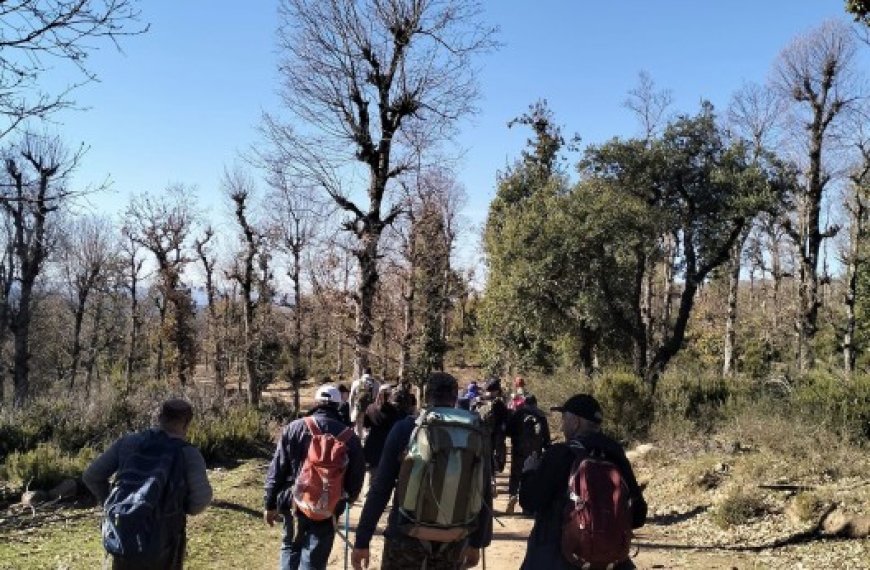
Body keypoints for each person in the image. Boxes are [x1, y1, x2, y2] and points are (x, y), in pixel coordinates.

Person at [351, 372, 493, 570]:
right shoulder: (477, 431)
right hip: (455, 539)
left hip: (405, 535)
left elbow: (380, 488)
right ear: (454, 398)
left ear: (426, 397)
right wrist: (477, 543)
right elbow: (484, 489)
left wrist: (362, 539)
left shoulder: (406, 428)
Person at [518, 394, 647, 569]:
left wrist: (529, 472)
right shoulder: (616, 455)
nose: (563, 426)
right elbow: (638, 516)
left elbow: (530, 502)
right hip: (610, 562)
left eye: (564, 419)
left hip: (558, 559)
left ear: (576, 422)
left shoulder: (561, 453)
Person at [83, 399, 213, 570]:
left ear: (160, 417)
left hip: (123, 533)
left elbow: (92, 475)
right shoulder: (188, 454)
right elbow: (201, 499)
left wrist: (111, 502)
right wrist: (182, 507)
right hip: (165, 539)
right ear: (187, 423)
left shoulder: (128, 442)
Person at [264, 385, 366, 570]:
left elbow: (277, 469)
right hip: (329, 506)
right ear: (338, 405)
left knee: (290, 547)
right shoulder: (350, 437)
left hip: (294, 501)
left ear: (316, 402)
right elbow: (356, 476)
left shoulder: (294, 428)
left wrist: (269, 504)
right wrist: (347, 499)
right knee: (315, 557)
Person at [505, 395, 550, 514]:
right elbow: (546, 437)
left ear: (525, 403)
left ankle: (512, 495)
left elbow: (508, 430)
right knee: (531, 476)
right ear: (535, 403)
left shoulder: (518, 413)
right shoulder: (541, 415)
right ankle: (527, 507)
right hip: (535, 452)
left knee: (515, 474)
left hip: (519, 450)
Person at [363, 384, 407, 479]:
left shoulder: (370, 408)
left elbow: (366, 425)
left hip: (372, 444)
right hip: (387, 446)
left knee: (370, 476)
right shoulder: (393, 411)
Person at [474, 378, 511, 486]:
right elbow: (505, 419)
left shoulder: (478, 400)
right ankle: (492, 478)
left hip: (481, 433)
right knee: (493, 456)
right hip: (496, 435)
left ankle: (486, 479)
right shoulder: (499, 403)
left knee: (485, 456)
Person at [349, 368, 379, 439]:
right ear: (371, 374)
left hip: (359, 408)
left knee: (359, 427)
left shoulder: (356, 382)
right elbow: (377, 398)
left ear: (362, 374)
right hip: (370, 409)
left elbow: (351, 398)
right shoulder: (376, 383)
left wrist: (351, 411)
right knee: (369, 428)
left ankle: (359, 442)